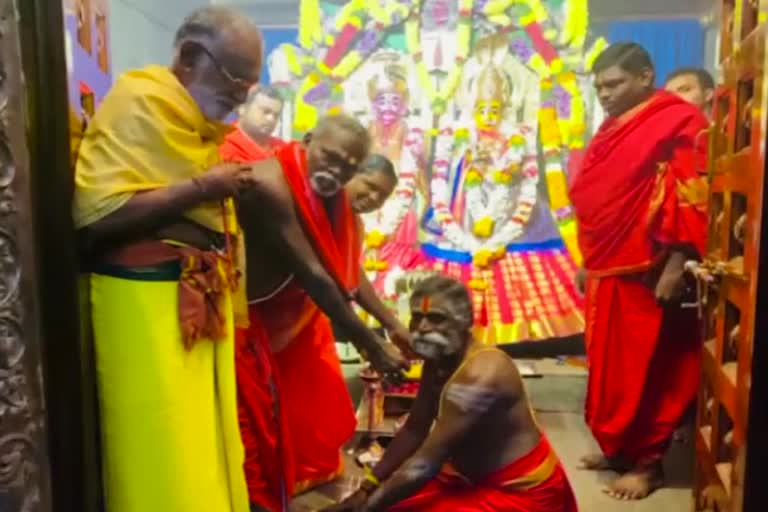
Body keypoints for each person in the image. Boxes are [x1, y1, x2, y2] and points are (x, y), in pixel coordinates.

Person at [72, 7, 262, 512]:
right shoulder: (140, 102)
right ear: (190, 57)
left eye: (250, 84)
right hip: (141, 306)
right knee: (160, 456)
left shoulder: (198, 127)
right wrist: (201, 188)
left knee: (203, 453)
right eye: (234, 79)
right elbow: (94, 221)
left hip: (195, 306)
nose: (242, 95)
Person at [229, 116, 407, 511]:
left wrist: (392, 325)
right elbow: (314, 273)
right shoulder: (272, 182)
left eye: (347, 166)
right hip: (243, 325)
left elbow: (343, 270)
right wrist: (373, 345)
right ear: (307, 141)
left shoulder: (330, 198)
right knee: (255, 440)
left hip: (280, 326)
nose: (336, 171)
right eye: (330, 157)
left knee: (278, 432)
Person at [569, 42, 708, 500]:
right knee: (610, 369)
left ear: (646, 76)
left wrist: (676, 263)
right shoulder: (612, 127)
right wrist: (589, 262)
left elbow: (692, 192)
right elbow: (600, 195)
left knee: (651, 368)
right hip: (608, 266)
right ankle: (621, 450)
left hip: (649, 269)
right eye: (599, 87)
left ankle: (650, 466)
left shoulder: (679, 119)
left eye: (614, 84)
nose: (605, 95)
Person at [323, 275, 577, 512]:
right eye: (416, 317)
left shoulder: (482, 375)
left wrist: (365, 507)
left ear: (464, 323)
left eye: (436, 318)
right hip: (461, 475)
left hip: (515, 491)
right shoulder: (439, 357)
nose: (422, 327)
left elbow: (424, 464)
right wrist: (368, 486)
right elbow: (415, 429)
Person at [222, 85, 286, 161]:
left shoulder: (283, 148)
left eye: (276, 115)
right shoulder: (222, 144)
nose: (271, 119)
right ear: (242, 108)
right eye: (265, 111)